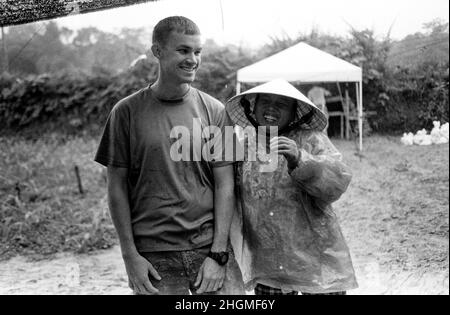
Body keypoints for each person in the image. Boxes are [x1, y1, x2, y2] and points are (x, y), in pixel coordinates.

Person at [94, 16, 244, 295]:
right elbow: (116, 188)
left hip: (208, 249)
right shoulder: (125, 113)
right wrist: (130, 257)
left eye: (197, 52)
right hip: (153, 255)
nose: (193, 60)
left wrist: (219, 255)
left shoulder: (216, 111)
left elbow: (226, 185)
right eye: (183, 50)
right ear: (157, 51)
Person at [227, 79, 358, 295]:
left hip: (317, 264)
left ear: (293, 113)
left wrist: (300, 158)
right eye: (265, 101)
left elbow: (337, 184)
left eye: (281, 104)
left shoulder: (311, 139)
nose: (271, 108)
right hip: (268, 265)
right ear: (253, 107)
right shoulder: (244, 144)